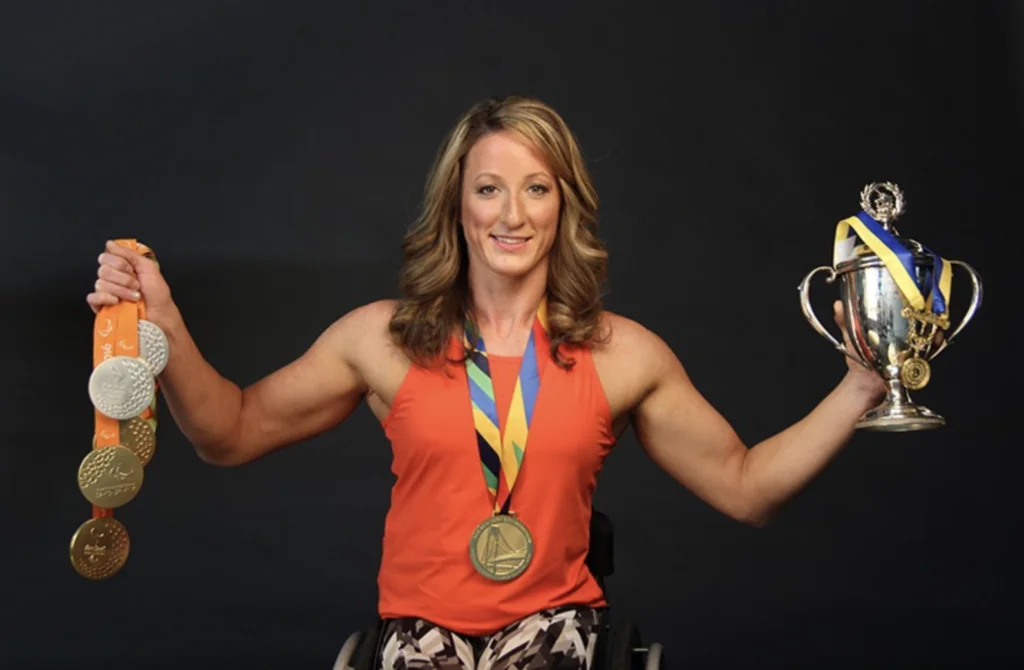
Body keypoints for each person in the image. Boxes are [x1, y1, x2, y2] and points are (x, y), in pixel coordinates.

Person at [87, 95, 885, 669]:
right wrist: (164, 321)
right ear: (458, 206)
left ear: (564, 206)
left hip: (559, 642)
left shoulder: (624, 354)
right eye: (489, 188)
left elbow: (746, 488)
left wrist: (861, 383)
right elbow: (227, 433)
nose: (513, 214)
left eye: (537, 188)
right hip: (415, 645)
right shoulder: (380, 339)